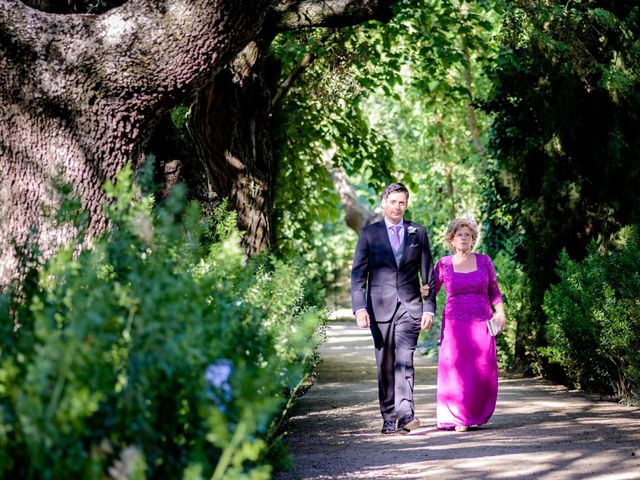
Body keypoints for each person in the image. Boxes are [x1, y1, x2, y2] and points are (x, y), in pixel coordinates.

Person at [351, 182, 436, 435]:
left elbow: (427, 275)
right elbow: (357, 276)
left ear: (406, 205)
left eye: (402, 202)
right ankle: (388, 417)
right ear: (384, 203)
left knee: (405, 361)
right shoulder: (369, 234)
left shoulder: (417, 232)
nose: (398, 207)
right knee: (385, 364)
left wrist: (429, 308)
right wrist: (359, 308)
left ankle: (406, 414)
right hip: (379, 309)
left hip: (410, 307)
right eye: (393, 202)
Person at [421, 218, 506, 432]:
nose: (464, 238)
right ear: (451, 239)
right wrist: (422, 295)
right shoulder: (444, 264)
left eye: (468, 234)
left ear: (473, 239)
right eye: (460, 234)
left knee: (480, 370)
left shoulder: (484, 261)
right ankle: (458, 417)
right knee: (456, 370)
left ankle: (473, 413)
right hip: (454, 325)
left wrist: (501, 314)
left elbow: (494, 291)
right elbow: (431, 290)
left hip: (482, 323)